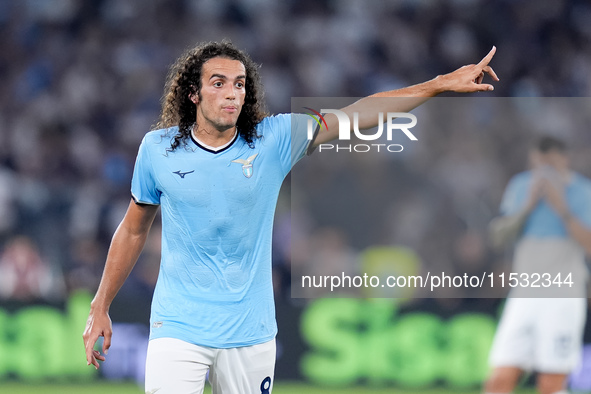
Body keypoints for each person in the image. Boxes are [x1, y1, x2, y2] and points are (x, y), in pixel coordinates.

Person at [83, 40, 498, 394]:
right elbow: (134, 229)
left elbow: (359, 114)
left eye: (240, 84)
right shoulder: (158, 149)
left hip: (250, 332)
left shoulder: (275, 139)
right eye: (219, 83)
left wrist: (438, 85)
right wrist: (101, 304)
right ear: (193, 93)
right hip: (177, 326)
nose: (232, 93)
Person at [486, 136, 591, 394]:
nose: (544, 172)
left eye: (551, 164)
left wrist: (561, 207)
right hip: (524, 295)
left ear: (564, 160)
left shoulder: (582, 191)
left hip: (563, 297)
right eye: (540, 164)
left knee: (551, 383)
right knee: (500, 377)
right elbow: (497, 237)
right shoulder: (521, 186)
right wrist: (527, 206)